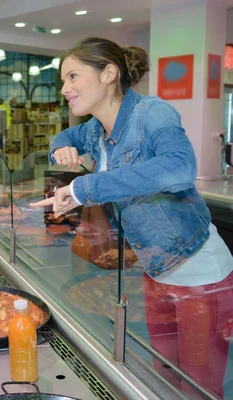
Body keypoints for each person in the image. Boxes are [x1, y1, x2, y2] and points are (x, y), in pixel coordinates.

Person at [30, 37, 233, 398]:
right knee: (161, 375)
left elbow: (179, 167)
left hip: (200, 269)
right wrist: (61, 146)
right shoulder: (94, 130)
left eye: (73, 76)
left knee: (201, 385)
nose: (65, 89)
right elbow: (66, 133)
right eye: (63, 80)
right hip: (154, 268)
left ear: (108, 73)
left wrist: (83, 189)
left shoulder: (151, 112)